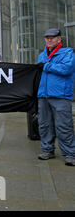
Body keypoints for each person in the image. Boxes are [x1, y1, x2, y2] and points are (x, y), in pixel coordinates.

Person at [36, 28, 75, 166]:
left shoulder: (68, 53)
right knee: (44, 125)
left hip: (61, 95)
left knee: (63, 125)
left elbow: (66, 69)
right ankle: (47, 150)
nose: (49, 39)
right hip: (43, 96)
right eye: (47, 37)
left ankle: (70, 153)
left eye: (52, 37)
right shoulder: (42, 55)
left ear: (59, 39)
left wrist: (46, 66)